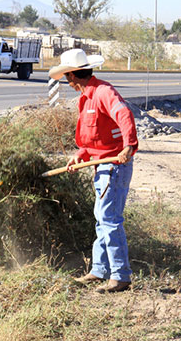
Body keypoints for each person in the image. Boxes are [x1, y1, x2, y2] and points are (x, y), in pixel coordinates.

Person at [49, 48, 138, 293]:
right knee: (101, 219)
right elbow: (92, 138)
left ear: (74, 75)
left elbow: (124, 115)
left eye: (67, 77)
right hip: (101, 163)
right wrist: (80, 155)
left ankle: (120, 276)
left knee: (109, 220)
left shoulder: (103, 92)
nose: (67, 82)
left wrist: (129, 145)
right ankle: (99, 270)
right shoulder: (86, 98)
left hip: (115, 166)